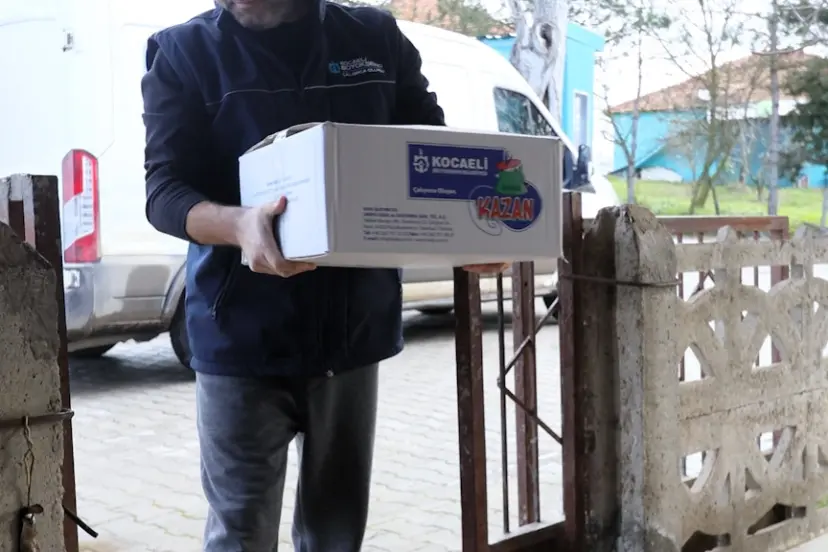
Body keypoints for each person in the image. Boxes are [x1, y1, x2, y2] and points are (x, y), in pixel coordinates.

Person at [141, 0, 507, 550]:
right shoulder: (183, 52)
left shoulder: (374, 39)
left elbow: (428, 152)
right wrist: (240, 225)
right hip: (241, 334)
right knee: (240, 532)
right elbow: (164, 192)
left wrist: (466, 233)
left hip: (353, 332)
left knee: (336, 531)